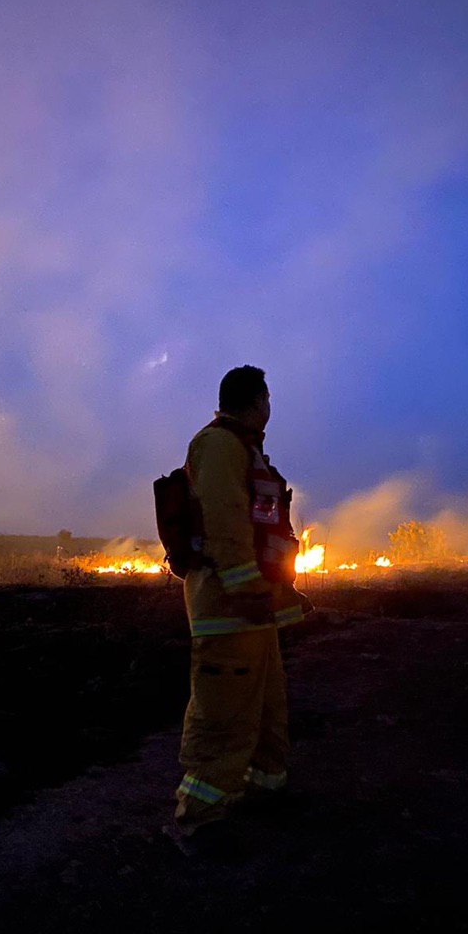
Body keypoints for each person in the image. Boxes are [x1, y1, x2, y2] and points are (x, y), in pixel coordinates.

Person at [166, 365, 312, 856]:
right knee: (223, 711)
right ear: (256, 401)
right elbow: (226, 523)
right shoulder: (221, 447)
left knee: (267, 702)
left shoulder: (245, 449)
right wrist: (248, 588)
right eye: (267, 398)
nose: (270, 407)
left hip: (254, 607)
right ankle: (199, 818)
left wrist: (277, 595)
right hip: (229, 607)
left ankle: (265, 787)